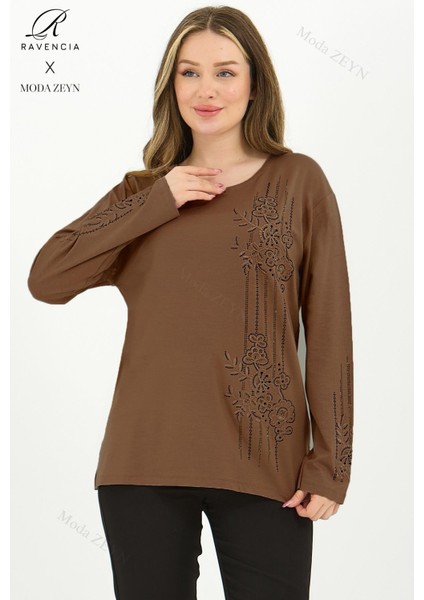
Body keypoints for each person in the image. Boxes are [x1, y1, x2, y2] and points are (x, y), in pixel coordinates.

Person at [27, 5, 354, 600]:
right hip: (142, 464)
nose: (207, 90)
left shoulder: (298, 182)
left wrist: (331, 463)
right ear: (170, 84)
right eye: (189, 72)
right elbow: (47, 278)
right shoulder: (142, 194)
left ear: (255, 84)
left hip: (268, 467)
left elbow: (330, 325)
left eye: (225, 72)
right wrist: (159, 200)